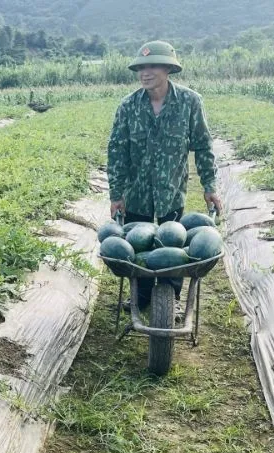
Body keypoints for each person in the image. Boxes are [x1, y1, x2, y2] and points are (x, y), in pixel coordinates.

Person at [107, 40, 223, 310]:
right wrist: (116, 194)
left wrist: (210, 186)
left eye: (153, 66)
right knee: (138, 249)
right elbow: (116, 152)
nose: (145, 73)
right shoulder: (128, 107)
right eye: (141, 67)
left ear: (168, 68)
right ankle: (142, 298)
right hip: (136, 193)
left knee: (172, 242)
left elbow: (204, 146)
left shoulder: (190, 102)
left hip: (171, 190)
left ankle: (171, 298)